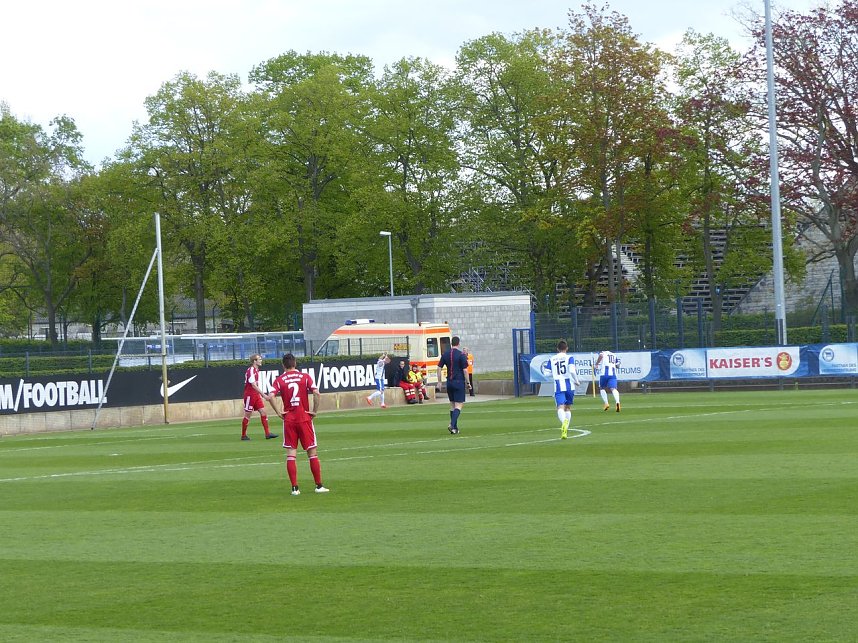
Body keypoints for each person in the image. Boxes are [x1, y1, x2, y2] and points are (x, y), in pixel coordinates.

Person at [269, 353, 329, 495]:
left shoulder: (279, 380)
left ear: (283, 365)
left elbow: (270, 396)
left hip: (289, 419)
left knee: (291, 455)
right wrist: (314, 411)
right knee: (312, 453)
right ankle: (318, 486)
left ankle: (295, 488)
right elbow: (316, 393)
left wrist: (278, 412)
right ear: (295, 363)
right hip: (304, 417)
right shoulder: (305, 377)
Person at [240, 354, 278, 441]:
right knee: (248, 414)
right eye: (259, 359)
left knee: (263, 412)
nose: (261, 361)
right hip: (250, 395)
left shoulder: (256, 370)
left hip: (255, 394)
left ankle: (267, 433)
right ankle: (243, 435)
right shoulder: (251, 370)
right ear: (254, 361)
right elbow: (253, 385)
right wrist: (264, 395)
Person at [437, 335, 469, 434]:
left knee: (452, 405)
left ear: (451, 343)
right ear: (458, 343)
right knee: (458, 405)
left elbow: (438, 368)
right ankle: (451, 424)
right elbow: (465, 370)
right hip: (459, 382)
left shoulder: (445, 354)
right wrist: (468, 382)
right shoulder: (461, 355)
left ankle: (454, 429)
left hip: (449, 382)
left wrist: (439, 382)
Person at [550, 340, 581, 439]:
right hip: (569, 385)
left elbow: (546, 373)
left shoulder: (552, 359)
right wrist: (577, 381)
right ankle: (565, 429)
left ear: (557, 349)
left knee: (560, 407)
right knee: (567, 408)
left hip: (558, 385)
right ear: (566, 348)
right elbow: (572, 371)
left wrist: (554, 374)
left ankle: (564, 423)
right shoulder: (570, 358)